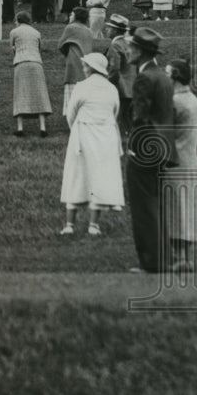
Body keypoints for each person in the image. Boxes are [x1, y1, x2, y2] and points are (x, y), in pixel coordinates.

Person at [124, 26, 175, 273]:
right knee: (157, 206)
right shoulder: (163, 76)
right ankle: (161, 259)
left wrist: (135, 148)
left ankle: (151, 263)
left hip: (145, 151)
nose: (127, 51)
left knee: (144, 208)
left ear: (141, 51)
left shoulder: (144, 77)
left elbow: (140, 118)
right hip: (164, 149)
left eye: (131, 48)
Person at [59, 52, 125, 236]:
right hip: (106, 135)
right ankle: (93, 225)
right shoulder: (111, 88)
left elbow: (71, 112)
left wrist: (78, 129)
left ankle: (70, 225)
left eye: (86, 66)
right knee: (99, 177)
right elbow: (115, 111)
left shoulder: (81, 87)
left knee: (76, 176)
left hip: (85, 133)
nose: (84, 69)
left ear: (92, 68)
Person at [166, 58, 197, 272]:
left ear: (176, 76)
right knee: (188, 207)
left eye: (168, 72)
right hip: (191, 160)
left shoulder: (175, 102)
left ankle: (178, 256)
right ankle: (186, 256)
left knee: (175, 207)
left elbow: (164, 130)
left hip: (176, 161)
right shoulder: (193, 100)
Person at [9, 12, 52, 137]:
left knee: (20, 93)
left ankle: (20, 127)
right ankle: (43, 127)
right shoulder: (36, 32)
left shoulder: (14, 32)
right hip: (36, 63)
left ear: (18, 20)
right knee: (40, 93)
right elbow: (39, 48)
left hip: (21, 62)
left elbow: (12, 48)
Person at [57, 7, 94, 119]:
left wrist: (68, 53)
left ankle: (72, 118)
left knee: (72, 89)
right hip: (87, 64)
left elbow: (61, 45)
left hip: (73, 62)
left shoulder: (70, 28)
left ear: (77, 16)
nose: (70, 16)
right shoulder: (89, 30)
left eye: (72, 14)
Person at [104, 14, 135, 137]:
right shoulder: (128, 43)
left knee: (119, 117)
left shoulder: (115, 45)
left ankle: (121, 142)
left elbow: (114, 68)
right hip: (131, 85)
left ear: (115, 30)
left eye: (109, 28)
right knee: (127, 117)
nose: (106, 30)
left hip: (121, 87)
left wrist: (107, 83)